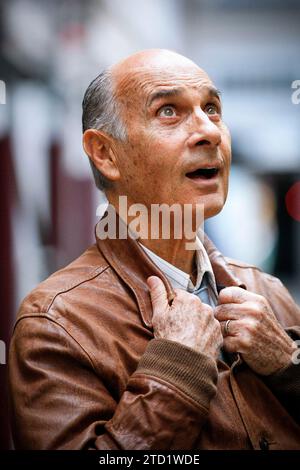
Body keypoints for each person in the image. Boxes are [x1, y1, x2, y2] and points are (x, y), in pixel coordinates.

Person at [9, 49, 300, 450]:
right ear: (105, 153)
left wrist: (288, 365)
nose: (210, 131)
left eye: (212, 108)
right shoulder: (57, 324)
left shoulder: (268, 292)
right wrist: (177, 368)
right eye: (169, 111)